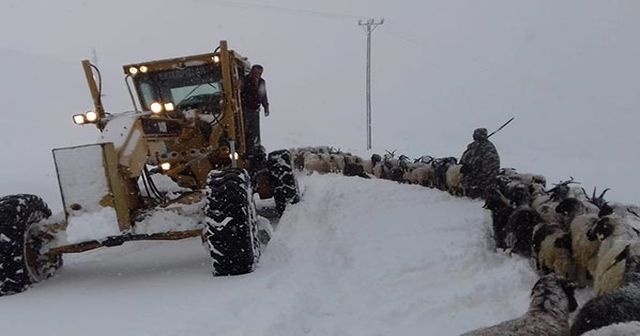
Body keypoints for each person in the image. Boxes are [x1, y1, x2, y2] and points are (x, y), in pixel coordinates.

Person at [459, 128, 500, 199]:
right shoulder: (476, 146)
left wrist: (468, 168)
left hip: (485, 177)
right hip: (485, 175)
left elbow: (480, 164)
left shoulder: (484, 148)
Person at [241, 64, 270, 154]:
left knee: (254, 131)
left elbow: (263, 95)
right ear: (252, 72)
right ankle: (245, 150)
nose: (257, 75)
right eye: (256, 73)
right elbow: (239, 91)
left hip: (255, 110)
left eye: (260, 73)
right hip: (245, 109)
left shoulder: (261, 82)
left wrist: (266, 107)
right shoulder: (245, 80)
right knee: (244, 130)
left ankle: (253, 151)